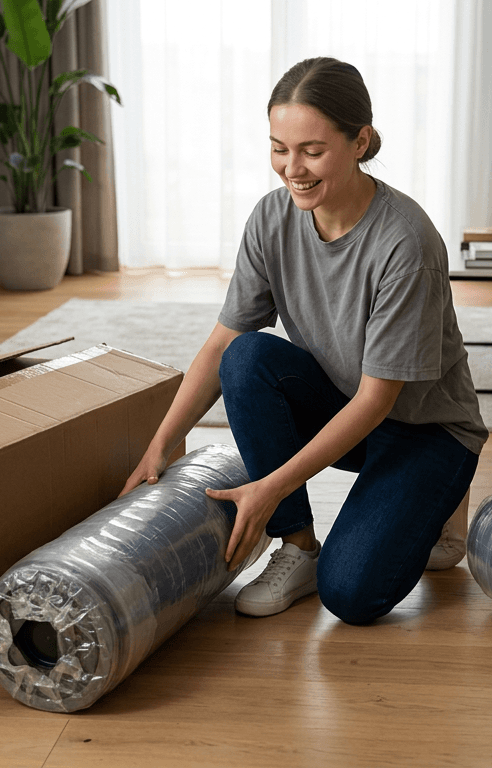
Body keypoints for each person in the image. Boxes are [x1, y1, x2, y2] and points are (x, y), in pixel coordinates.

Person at [118, 57, 489, 626]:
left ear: (360, 140)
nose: (292, 168)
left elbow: (377, 401)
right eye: (278, 148)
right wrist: (163, 442)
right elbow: (222, 345)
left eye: (312, 151)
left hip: (426, 430)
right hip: (349, 408)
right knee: (247, 357)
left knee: (351, 596)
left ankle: (442, 502)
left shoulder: (405, 242)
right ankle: (298, 547)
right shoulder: (272, 219)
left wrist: (267, 488)